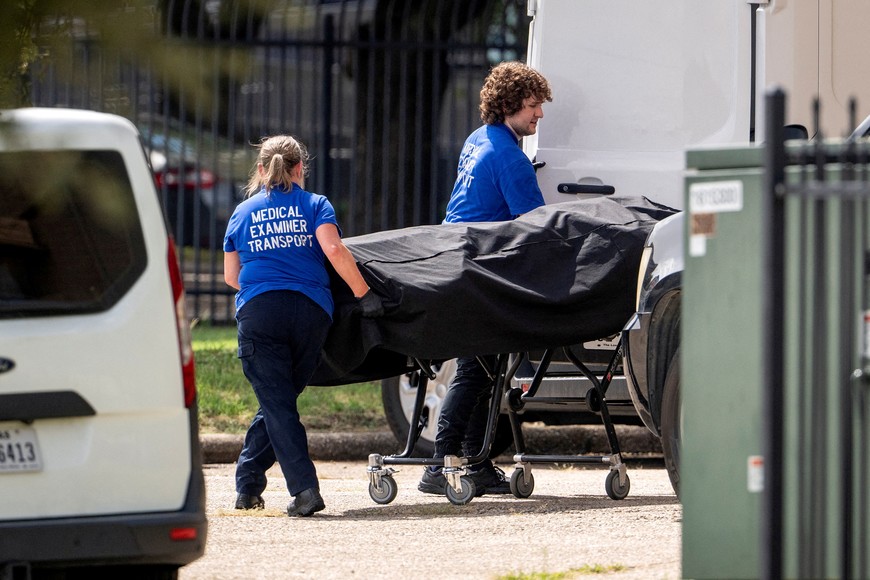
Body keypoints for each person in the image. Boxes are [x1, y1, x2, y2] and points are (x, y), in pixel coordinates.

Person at [224, 135, 384, 517]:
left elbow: (232, 277)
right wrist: (365, 295)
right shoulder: (316, 205)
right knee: (278, 402)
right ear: (300, 169)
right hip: (311, 314)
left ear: (261, 170)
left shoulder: (242, 212)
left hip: (260, 313)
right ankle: (248, 485)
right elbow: (333, 249)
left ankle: (304, 491)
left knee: (277, 403)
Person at [418, 61, 553, 496]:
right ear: (511, 104)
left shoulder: (480, 140)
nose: (540, 114)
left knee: (485, 369)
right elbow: (536, 222)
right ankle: (440, 464)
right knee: (477, 372)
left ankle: (475, 463)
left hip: (459, 258)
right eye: (533, 106)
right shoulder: (509, 157)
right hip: (480, 267)